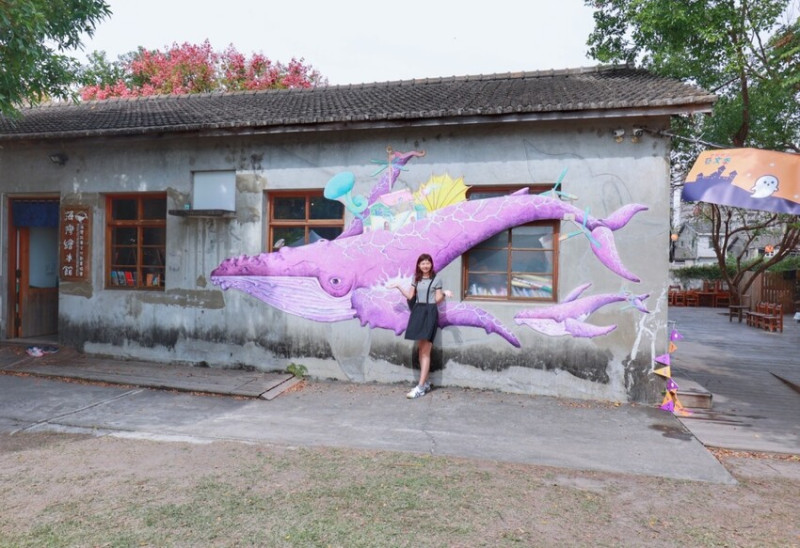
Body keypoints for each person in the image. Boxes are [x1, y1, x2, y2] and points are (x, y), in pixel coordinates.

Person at [387, 253, 451, 398]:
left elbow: (437, 300)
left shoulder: (437, 279)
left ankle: (421, 387)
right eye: (423, 263)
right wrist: (398, 286)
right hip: (418, 312)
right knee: (421, 350)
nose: (425, 265)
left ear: (431, 264)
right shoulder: (416, 279)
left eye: (428, 263)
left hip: (430, 312)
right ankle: (425, 383)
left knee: (425, 351)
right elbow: (411, 297)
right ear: (419, 265)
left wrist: (445, 294)